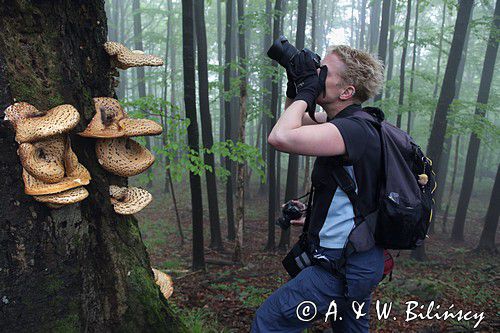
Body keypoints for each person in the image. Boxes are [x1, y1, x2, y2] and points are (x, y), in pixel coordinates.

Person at [251, 45, 385, 333]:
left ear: (346, 92)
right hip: (359, 261)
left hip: (342, 266)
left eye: (324, 72)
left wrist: (307, 91)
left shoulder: (355, 129)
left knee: (269, 321)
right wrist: (294, 85)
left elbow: (280, 137)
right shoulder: (345, 124)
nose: (317, 75)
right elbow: (295, 120)